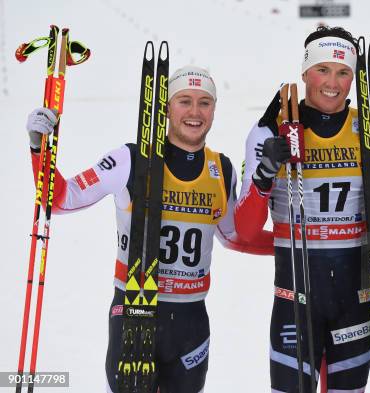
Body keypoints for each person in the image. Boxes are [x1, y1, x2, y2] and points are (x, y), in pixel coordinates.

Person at [26, 65, 273, 393]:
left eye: (204, 102)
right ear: (167, 107)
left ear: (214, 109)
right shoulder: (130, 159)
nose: (194, 112)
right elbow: (61, 199)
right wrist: (39, 147)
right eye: (184, 101)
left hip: (191, 321)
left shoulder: (221, 169)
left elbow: (234, 236)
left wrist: (296, 241)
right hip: (134, 310)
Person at [234, 26, 370, 393]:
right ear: (304, 72)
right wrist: (265, 173)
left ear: (353, 77)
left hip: (356, 302)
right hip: (293, 302)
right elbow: (246, 230)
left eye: (343, 72)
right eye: (322, 70)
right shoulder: (269, 132)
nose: (332, 83)